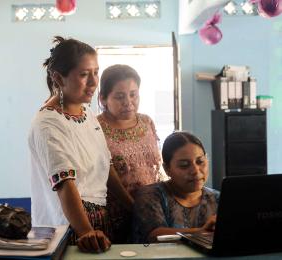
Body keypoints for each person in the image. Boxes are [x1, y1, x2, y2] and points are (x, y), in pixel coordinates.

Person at [28, 36, 133, 253]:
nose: (94, 82)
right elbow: (65, 183)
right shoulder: (48, 123)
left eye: (96, 72)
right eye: (84, 75)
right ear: (58, 78)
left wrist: (132, 206)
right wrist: (86, 232)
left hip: (98, 221)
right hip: (69, 224)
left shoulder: (87, 113)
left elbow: (106, 166)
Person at [97, 64, 163, 243]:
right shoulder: (95, 128)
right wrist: (134, 207)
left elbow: (155, 168)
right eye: (119, 96)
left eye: (133, 94)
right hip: (115, 214)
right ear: (103, 98)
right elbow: (104, 175)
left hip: (152, 211)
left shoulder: (146, 122)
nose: (128, 102)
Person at [132, 131, 219, 243]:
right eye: (184, 165)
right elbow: (154, 236)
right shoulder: (150, 195)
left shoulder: (217, 198)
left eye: (200, 161)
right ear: (167, 169)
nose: (195, 171)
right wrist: (201, 231)